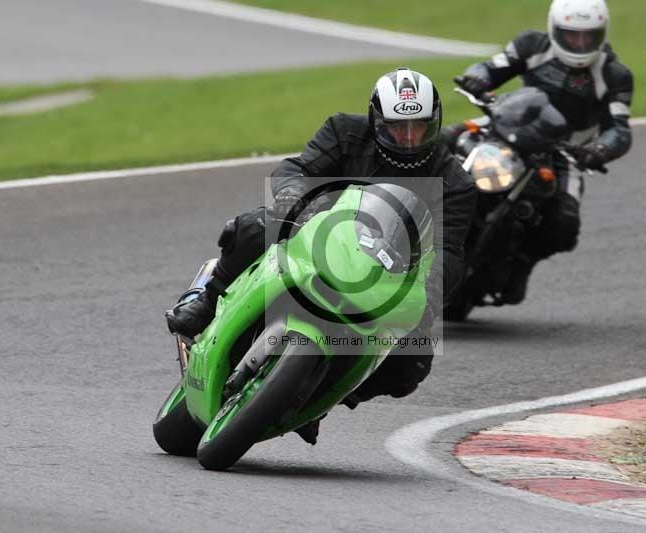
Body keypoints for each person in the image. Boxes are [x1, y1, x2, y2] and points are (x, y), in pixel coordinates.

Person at [166, 68, 477, 443]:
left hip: (388, 274)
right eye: (398, 127)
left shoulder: (455, 181)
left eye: (419, 127)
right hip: (317, 234)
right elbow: (298, 167)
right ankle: (207, 297)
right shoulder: (344, 130)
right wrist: (292, 197)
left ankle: (320, 399)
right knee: (251, 227)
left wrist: (429, 297)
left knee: (412, 363)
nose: (409, 138)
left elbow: (449, 249)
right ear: (377, 119)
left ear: (435, 122)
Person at [442, 0, 633, 305]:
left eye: (588, 36)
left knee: (564, 223)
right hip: (509, 126)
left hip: (565, 153)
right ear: (555, 29)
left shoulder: (614, 74)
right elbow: (493, 67)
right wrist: (476, 78)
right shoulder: (531, 45)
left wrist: (600, 149)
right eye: (572, 36)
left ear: (602, 33)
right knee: (442, 139)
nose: (581, 43)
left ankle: (522, 265)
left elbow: (620, 128)